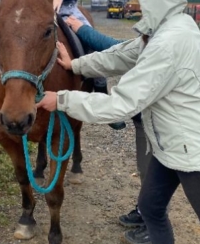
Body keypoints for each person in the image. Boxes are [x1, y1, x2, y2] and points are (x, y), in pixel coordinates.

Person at [37, 0, 200, 244]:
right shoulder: (166, 26)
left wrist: (60, 99)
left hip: (195, 154)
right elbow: (120, 55)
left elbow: (120, 105)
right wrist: (76, 66)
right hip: (170, 145)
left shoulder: (169, 43)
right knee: (151, 208)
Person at [65, 15, 151, 241]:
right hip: (148, 118)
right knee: (147, 168)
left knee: (154, 171)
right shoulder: (151, 38)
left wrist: (62, 100)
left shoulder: (163, 43)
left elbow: (115, 51)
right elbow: (119, 51)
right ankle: (146, 211)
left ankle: (154, 224)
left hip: (161, 122)